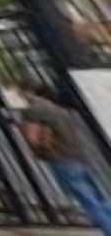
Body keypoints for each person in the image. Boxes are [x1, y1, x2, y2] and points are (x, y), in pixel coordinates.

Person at [17, 80, 111, 233]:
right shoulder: (61, 110)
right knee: (98, 199)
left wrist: (22, 128)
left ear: (28, 92)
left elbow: (32, 138)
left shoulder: (35, 109)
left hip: (61, 159)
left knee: (89, 203)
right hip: (80, 157)